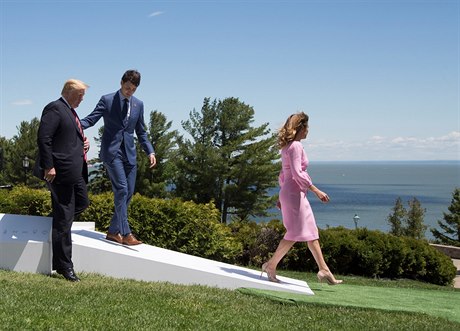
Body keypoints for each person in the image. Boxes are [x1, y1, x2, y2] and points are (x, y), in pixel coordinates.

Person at [261, 112, 342, 285]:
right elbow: (297, 173)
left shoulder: (287, 147)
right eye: (307, 127)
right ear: (301, 127)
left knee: (311, 231)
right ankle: (271, 265)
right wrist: (316, 190)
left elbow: (284, 174)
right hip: (294, 193)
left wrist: (282, 196)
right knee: (294, 233)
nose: (308, 131)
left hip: (291, 193)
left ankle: (324, 269)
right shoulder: (296, 146)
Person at [80, 70, 156, 246]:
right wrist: (72, 123)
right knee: (121, 190)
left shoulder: (138, 105)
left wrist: (150, 151)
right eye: (127, 88)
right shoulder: (107, 100)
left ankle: (113, 232)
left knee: (128, 194)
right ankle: (126, 232)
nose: (129, 92)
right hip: (112, 152)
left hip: (130, 154)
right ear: (121, 83)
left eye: (133, 89)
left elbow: (141, 131)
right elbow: (91, 119)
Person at [35, 79, 90, 282]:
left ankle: (59, 218)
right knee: (64, 220)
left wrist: (83, 143)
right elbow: (44, 138)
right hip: (59, 173)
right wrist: (49, 166)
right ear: (69, 92)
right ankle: (64, 266)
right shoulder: (55, 108)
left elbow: (66, 138)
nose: (82, 99)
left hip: (74, 173)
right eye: (80, 95)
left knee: (82, 203)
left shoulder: (71, 111)